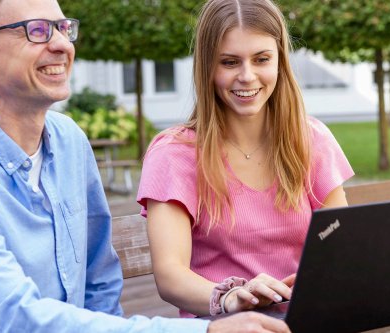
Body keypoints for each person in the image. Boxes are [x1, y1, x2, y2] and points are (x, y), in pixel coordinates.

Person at [0, 0, 290, 332]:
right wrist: (207, 331)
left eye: (64, 29)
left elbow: (99, 287)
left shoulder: (68, 142)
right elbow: (16, 317)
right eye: (37, 31)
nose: (63, 45)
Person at [137, 0, 354, 319]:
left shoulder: (312, 139)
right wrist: (230, 297)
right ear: (207, 67)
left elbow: (341, 248)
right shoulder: (174, 153)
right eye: (229, 62)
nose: (247, 76)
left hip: (309, 318)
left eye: (262, 59)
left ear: (280, 61)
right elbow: (170, 276)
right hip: (228, 323)